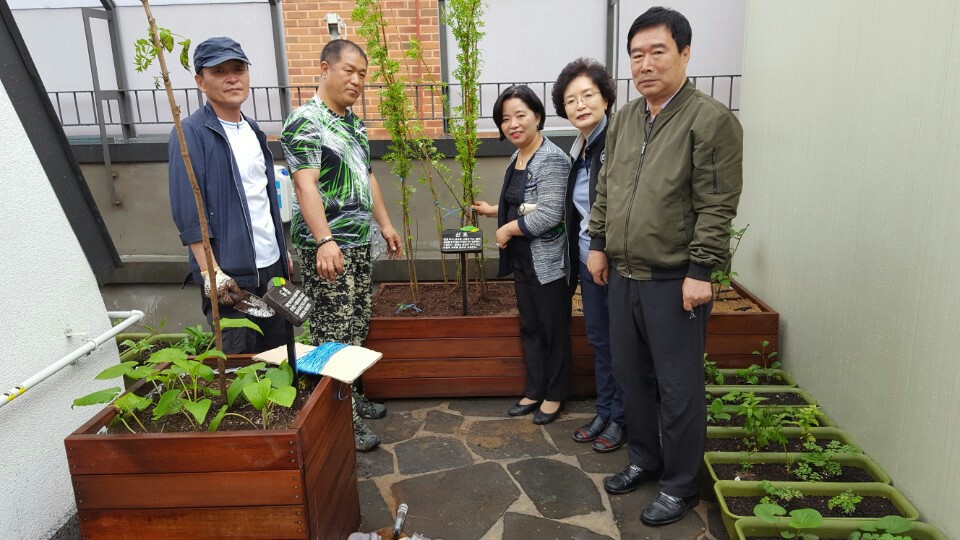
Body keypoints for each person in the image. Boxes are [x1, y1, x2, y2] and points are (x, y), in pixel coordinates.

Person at [588, 7, 743, 526]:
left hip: (676, 280)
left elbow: (717, 203)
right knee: (631, 378)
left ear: (685, 53)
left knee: (679, 387)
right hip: (623, 275)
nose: (646, 64)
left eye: (658, 51)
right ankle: (644, 459)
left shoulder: (710, 119)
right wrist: (598, 242)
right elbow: (606, 187)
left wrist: (703, 270)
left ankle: (679, 484)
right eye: (637, 54)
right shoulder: (628, 118)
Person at [280, 39, 403, 452]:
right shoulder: (305, 121)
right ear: (324, 68)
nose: (356, 80)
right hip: (327, 248)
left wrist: (384, 224)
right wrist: (324, 240)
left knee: (355, 323)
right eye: (349, 70)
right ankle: (340, 420)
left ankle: (354, 396)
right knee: (331, 332)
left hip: (357, 243)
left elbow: (367, 177)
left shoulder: (353, 123)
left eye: (363, 74)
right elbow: (305, 184)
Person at [169, 36, 289, 354]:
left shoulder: (254, 131)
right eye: (219, 71)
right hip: (230, 276)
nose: (232, 77)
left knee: (279, 358)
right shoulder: (192, 133)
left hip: (272, 267)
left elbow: (264, 199)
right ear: (200, 81)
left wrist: (282, 250)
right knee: (241, 364)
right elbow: (187, 210)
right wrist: (211, 273)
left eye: (238, 68)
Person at [472, 85, 572, 425]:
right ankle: (534, 389)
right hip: (523, 258)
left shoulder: (553, 159)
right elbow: (520, 203)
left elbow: (550, 214)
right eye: (505, 119)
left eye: (520, 115)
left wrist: (506, 229)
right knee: (530, 326)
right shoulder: (518, 156)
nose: (512, 124)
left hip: (548, 262)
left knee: (553, 330)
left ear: (538, 117)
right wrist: (492, 211)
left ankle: (555, 394)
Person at [550, 58, 626, 453]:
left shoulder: (616, 142)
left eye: (588, 96)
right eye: (570, 100)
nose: (579, 105)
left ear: (606, 99)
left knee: (619, 342)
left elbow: (615, 205)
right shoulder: (581, 146)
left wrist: (600, 251)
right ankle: (605, 409)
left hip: (612, 261)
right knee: (598, 338)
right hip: (587, 259)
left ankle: (621, 417)